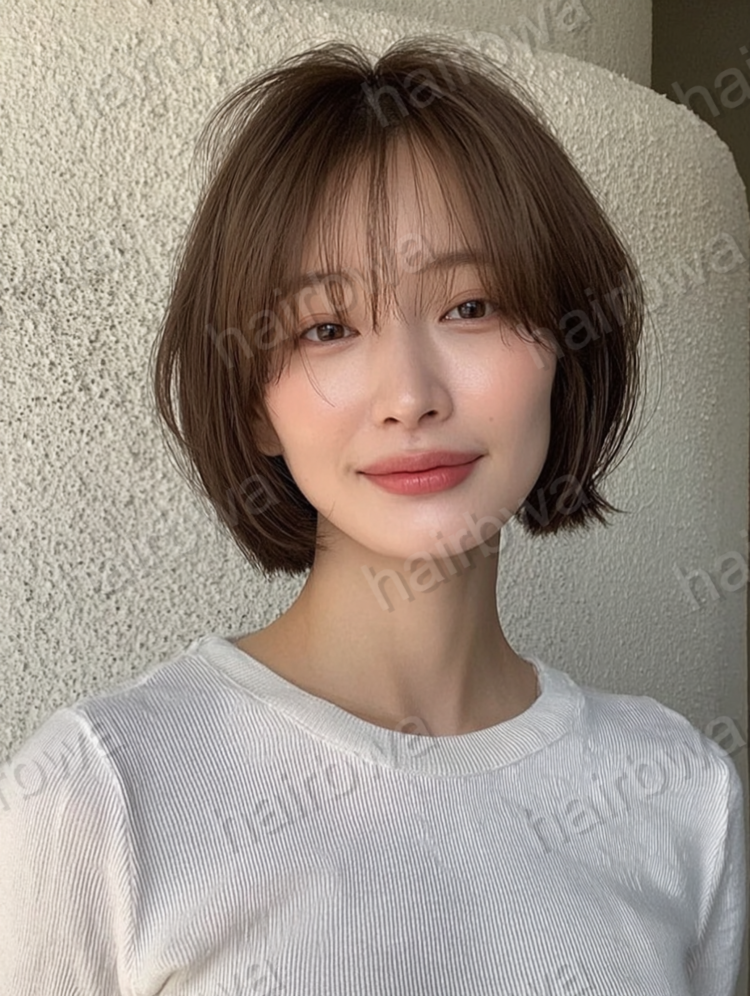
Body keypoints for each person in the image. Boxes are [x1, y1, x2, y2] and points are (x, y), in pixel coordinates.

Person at [0, 33, 745, 996]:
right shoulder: (97, 798)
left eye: (471, 306)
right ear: (253, 404)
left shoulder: (682, 794)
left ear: (566, 348)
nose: (409, 396)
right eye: (328, 327)